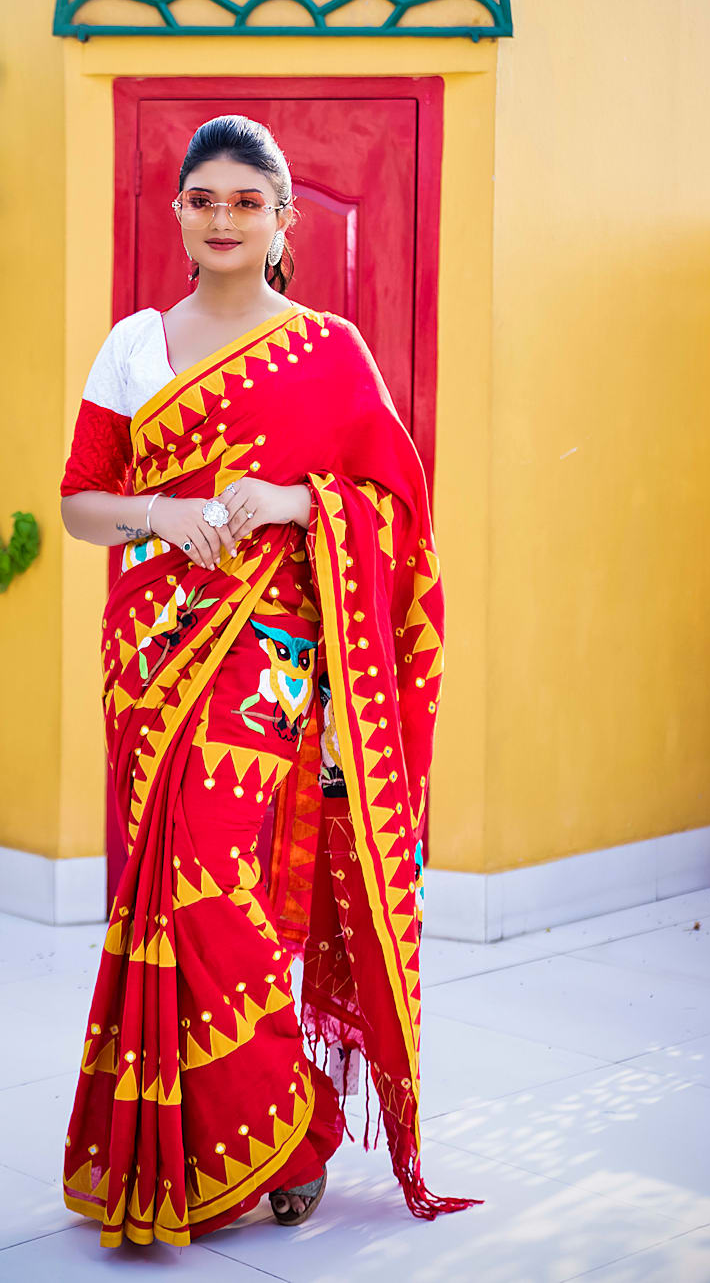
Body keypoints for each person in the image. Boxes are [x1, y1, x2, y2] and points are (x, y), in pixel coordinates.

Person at [59, 114, 483, 1248]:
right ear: (179, 213)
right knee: (168, 892)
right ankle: (226, 1136)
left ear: (283, 219)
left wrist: (299, 502)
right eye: (204, 198)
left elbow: (397, 512)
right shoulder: (135, 346)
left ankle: (284, 1137)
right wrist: (168, 513)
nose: (223, 218)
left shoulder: (330, 351)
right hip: (150, 655)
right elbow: (80, 504)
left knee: (221, 889)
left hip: (276, 659)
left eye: (248, 201)